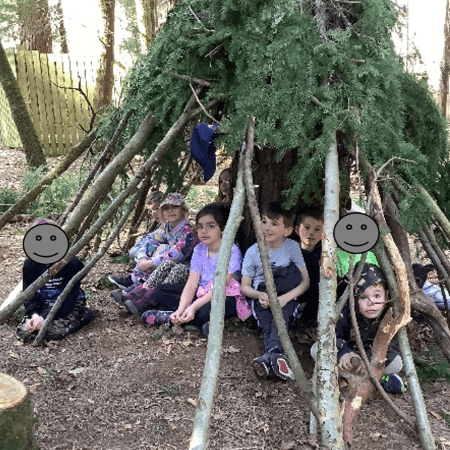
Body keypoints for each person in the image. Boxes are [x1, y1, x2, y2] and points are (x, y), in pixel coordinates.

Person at [140, 203, 250, 335]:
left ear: (221, 228)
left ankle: (170, 318)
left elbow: (220, 287)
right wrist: (182, 308)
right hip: (200, 293)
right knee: (160, 290)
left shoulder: (232, 251)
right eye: (200, 226)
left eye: (211, 226)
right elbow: (192, 283)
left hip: (223, 296)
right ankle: (186, 317)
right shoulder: (199, 250)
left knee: (210, 308)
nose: (204, 231)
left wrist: (193, 307)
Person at [311, 263, 405, 394]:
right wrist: (344, 353)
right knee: (316, 350)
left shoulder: (390, 316)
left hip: (373, 358)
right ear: (354, 298)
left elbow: (393, 346)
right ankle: (372, 380)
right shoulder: (344, 311)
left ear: (387, 295)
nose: (371, 302)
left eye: (377, 296)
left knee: (396, 363)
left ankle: (356, 378)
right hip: (348, 357)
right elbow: (331, 335)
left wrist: (368, 361)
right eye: (363, 297)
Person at [241, 201, 310, 381]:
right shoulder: (252, 252)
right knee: (267, 323)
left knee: (281, 320)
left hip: (287, 296)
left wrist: (285, 299)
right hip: (262, 296)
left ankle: (269, 357)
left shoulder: (292, 247)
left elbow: (305, 282)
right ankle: (274, 356)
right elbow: (245, 287)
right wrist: (259, 295)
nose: (267, 227)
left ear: (287, 230)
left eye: (274, 223)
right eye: (264, 221)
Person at [16, 220, 92, 342]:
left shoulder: (72, 263)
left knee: (54, 332)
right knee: (24, 332)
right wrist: (35, 315)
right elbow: (28, 295)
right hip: (42, 305)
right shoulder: (30, 264)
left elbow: (68, 299)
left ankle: (83, 315)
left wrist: (44, 318)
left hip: (67, 306)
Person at [108, 193, 197, 291]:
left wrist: (150, 263)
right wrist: (142, 258)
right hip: (167, 265)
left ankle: (143, 286)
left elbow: (177, 255)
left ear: (182, 210)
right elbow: (150, 240)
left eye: (175, 207)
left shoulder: (188, 230)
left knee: (165, 250)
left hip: (184, 269)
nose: (170, 211)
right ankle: (133, 279)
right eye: (166, 208)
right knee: (153, 245)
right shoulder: (166, 227)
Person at [109, 191, 164, 290]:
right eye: (150, 211)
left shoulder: (176, 230)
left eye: (156, 209)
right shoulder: (160, 229)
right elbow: (139, 246)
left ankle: (139, 284)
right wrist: (142, 256)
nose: (153, 213)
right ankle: (133, 279)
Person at [294, 206, 324, 324]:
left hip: (314, 304)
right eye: (307, 228)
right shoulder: (291, 252)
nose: (311, 233)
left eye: (317, 229)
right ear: (297, 230)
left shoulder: (323, 255)